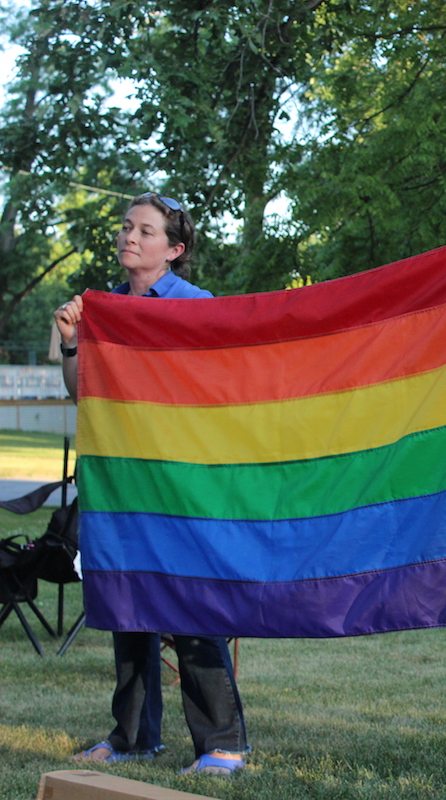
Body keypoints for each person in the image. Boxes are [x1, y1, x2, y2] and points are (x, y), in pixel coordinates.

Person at [54, 192, 250, 776]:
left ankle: (224, 745)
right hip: (120, 479)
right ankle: (135, 736)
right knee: (125, 601)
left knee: (191, 603)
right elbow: (80, 390)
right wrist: (71, 340)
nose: (129, 237)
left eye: (145, 230)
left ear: (174, 249)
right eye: (126, 227)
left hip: (181, 480)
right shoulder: (104, 308)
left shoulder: (196, 305)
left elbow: (218, 385)